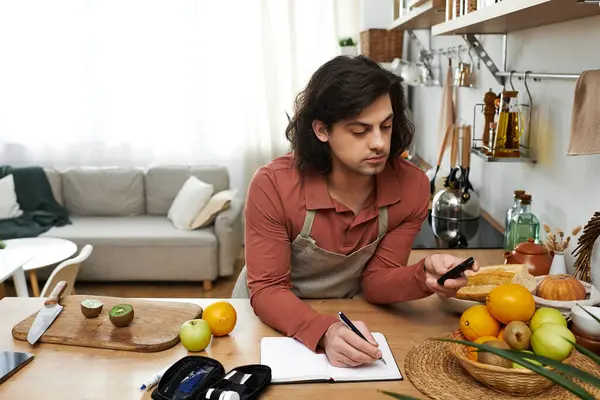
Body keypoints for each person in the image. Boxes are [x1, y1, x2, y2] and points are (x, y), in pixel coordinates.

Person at [232, 55, 478, 368]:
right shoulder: (273, 185)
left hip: (341, 314)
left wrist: (423, 274)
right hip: (266, 315)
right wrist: (324, 331)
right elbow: (268, 289)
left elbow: (375, 282)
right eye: (360, 131)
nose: (379, 143)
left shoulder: (412, 186)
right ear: (322, 130)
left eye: (385, 126)